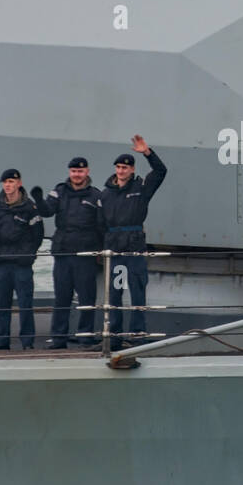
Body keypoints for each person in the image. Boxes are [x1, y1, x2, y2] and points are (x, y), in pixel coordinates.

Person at [32, 157, 105, 349]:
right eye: (73, 171)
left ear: (87, 172)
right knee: (61, 298)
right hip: (63, 253)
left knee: (87, 299)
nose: (76, 174)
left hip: (85, 254)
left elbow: (102, 225)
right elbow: (47, 211)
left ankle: (85, 336)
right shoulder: (59, 191)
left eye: (80, 171)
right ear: (69, 172)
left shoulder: (95, 196)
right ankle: (58, 338)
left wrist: (101, 251)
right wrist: (39, 200)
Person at [101, 135, 167, 338]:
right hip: (116, 249)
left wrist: (148, 153)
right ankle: (115, 333)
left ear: (132, 170)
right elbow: (100, 223)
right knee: (115, 292)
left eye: (125, 168)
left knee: (138, 290)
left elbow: (160, 171)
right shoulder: (105, 194)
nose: (121, 171)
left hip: (135, 248)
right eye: (119, 167)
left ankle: (138, 331)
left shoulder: (141, 188)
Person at [0, 169, 45, 350]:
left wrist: (27, 254)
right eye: (5, 182)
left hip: (21, 264)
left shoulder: (30, 207)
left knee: (25, 304)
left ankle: (27, 341)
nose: (8, 185)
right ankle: (1, 340)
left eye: (11, 181)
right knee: (2, 304)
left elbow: (38, 235)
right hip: (3, 263)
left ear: (19, 183)